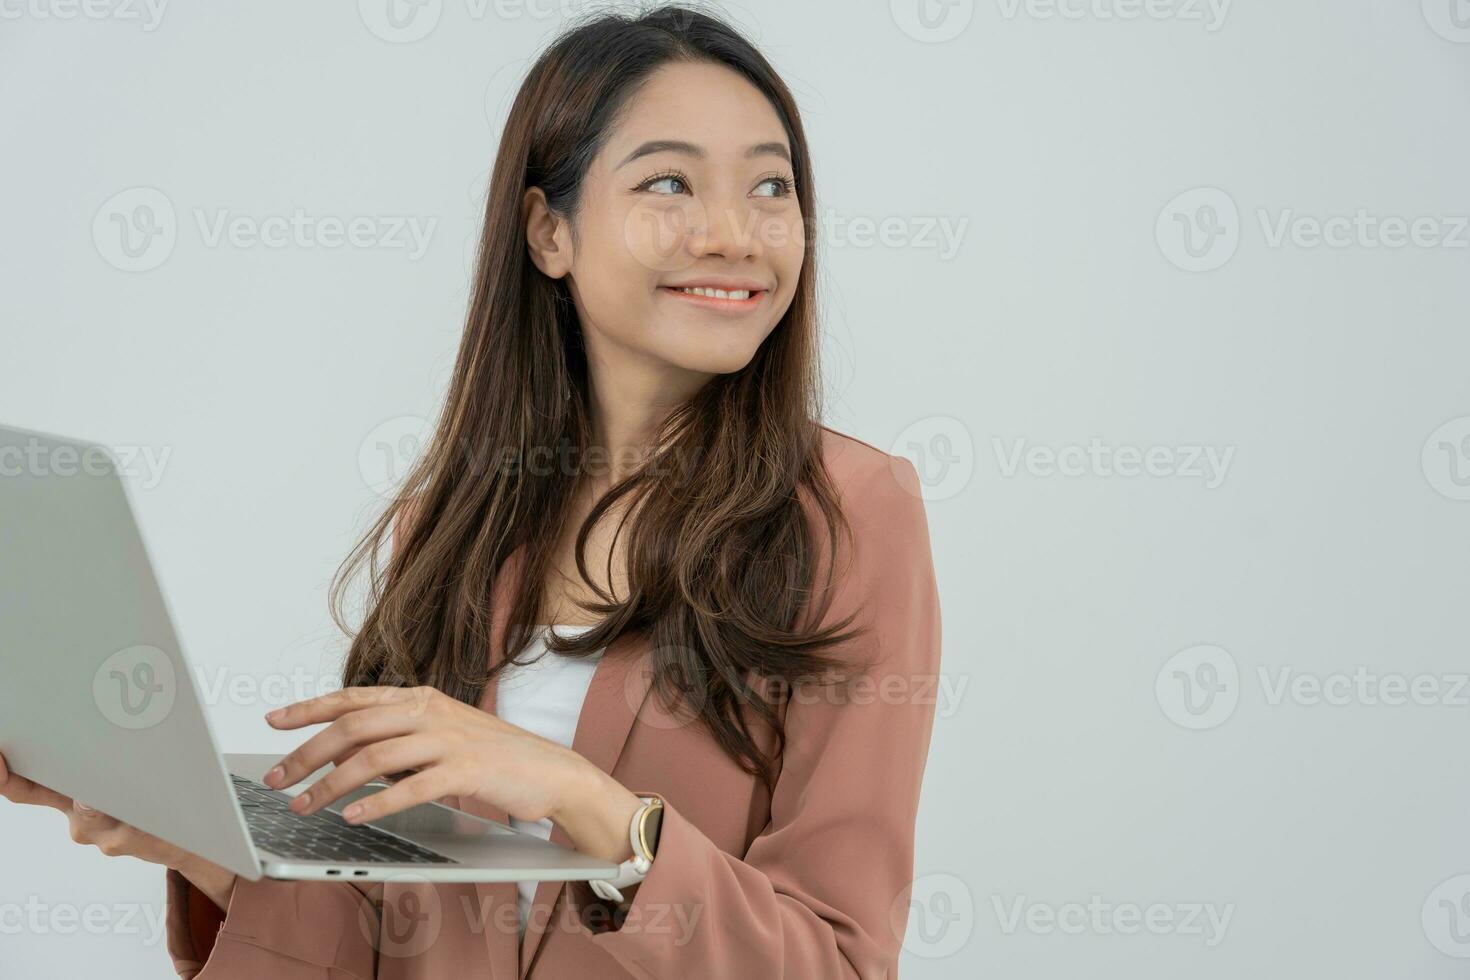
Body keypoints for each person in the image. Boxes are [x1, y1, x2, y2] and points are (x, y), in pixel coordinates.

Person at [0, 6, 943, 977]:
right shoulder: (458, 518)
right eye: (670, 181)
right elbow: (387, 935)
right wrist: (174, 832)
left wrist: (587, 804)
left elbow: (836, 957)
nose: (735, 232)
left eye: (771, 186)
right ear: (548, 231)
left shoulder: (850, 514)